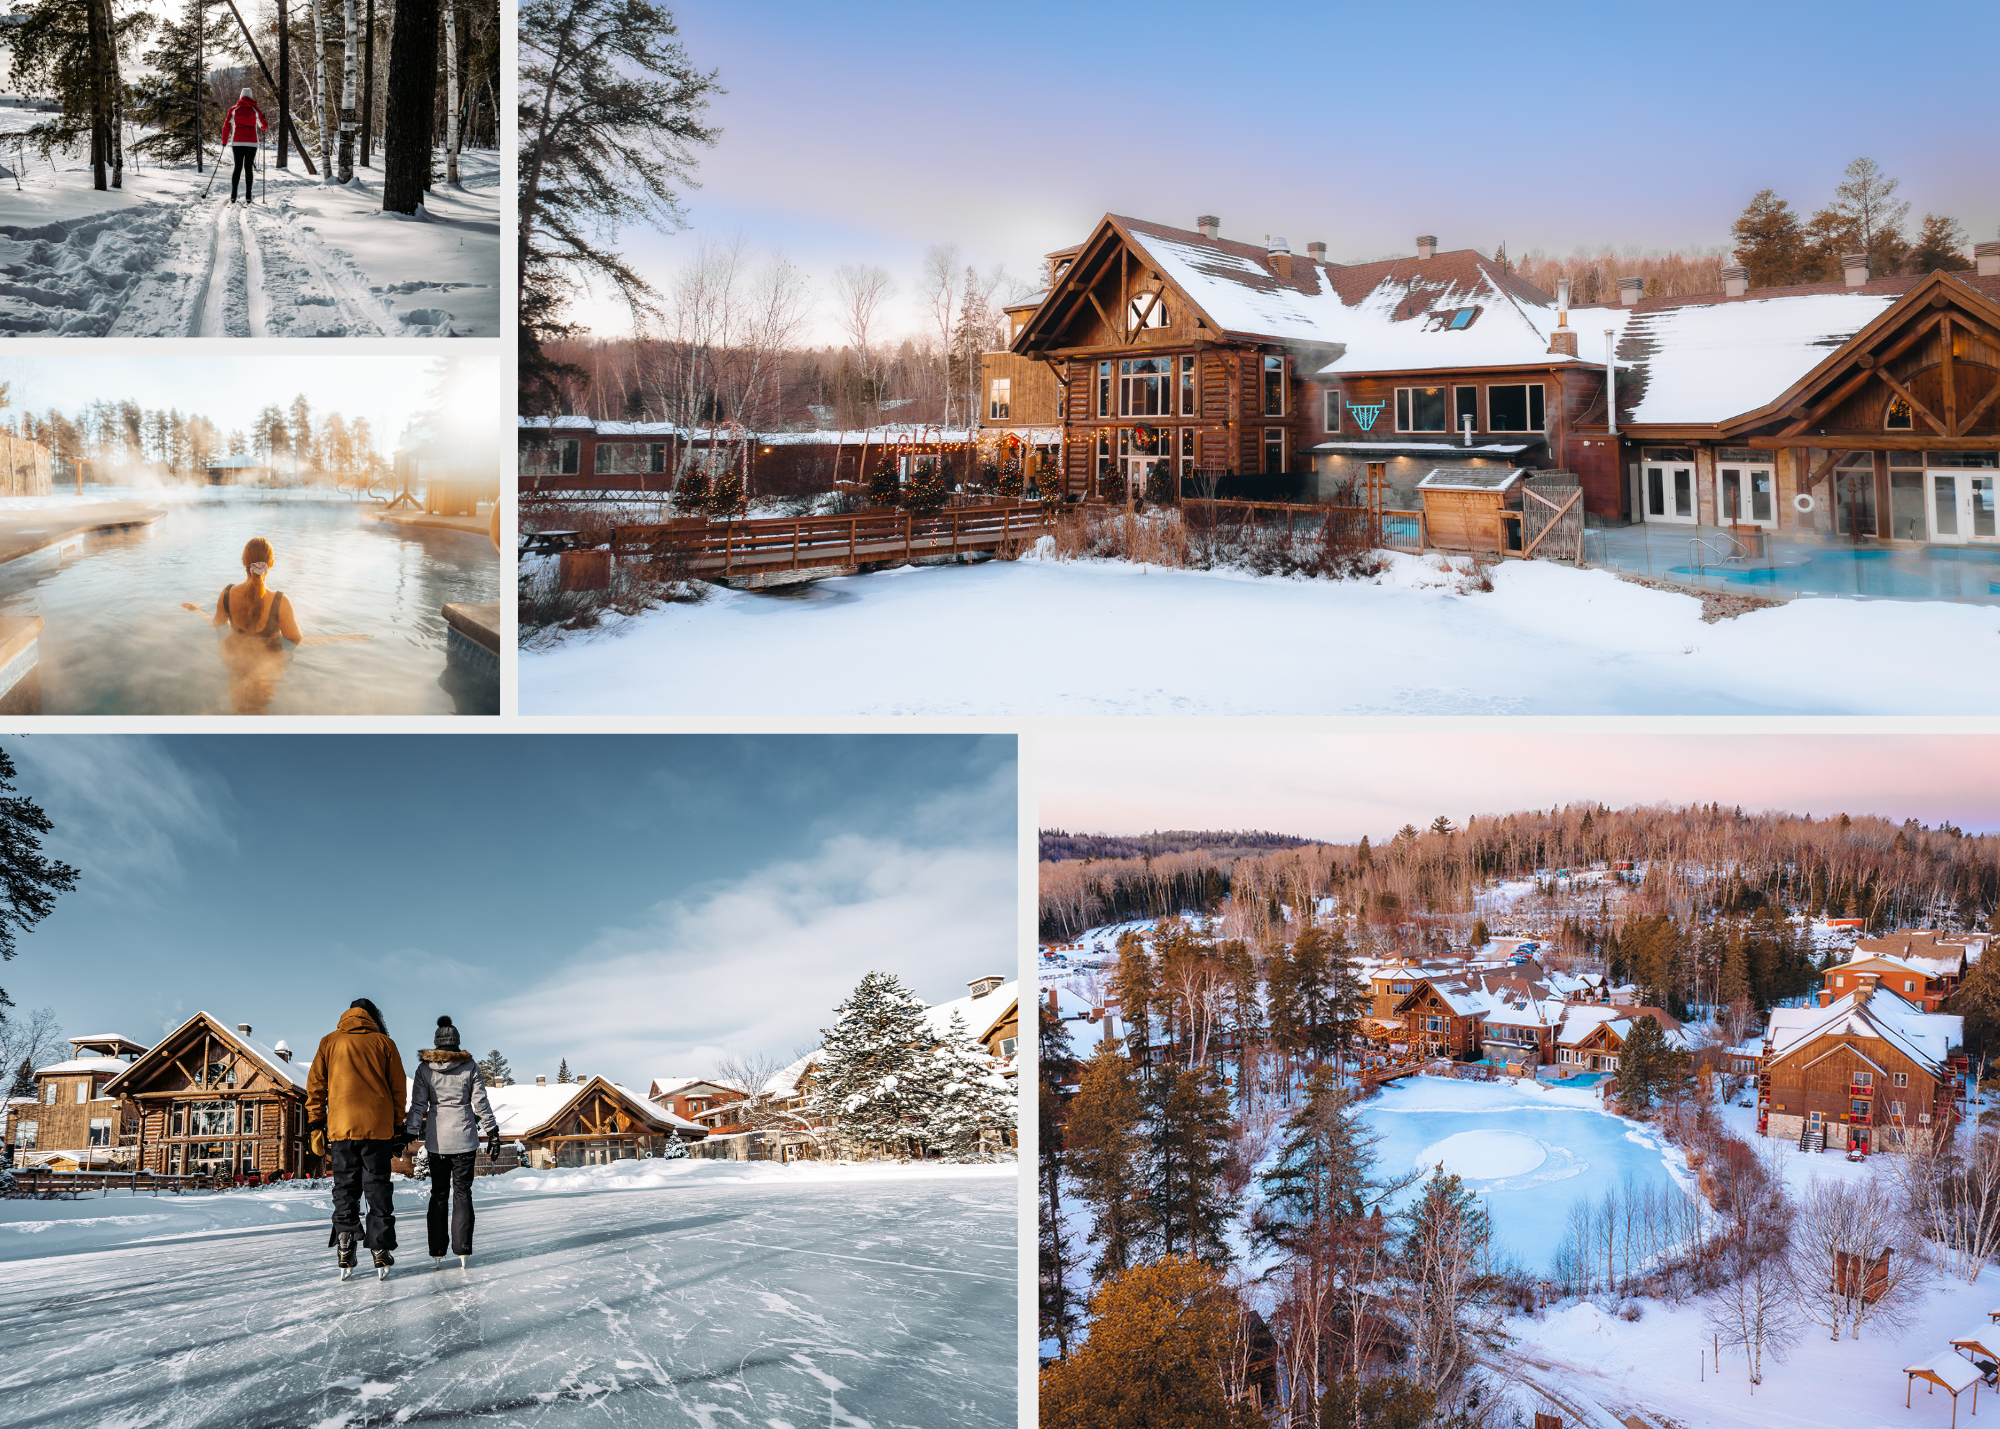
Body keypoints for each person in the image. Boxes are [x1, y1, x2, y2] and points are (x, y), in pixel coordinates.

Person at [306, 998, 406, 1280]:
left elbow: (315, 1085)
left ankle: (345, 1243)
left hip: (341, 1129)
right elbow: (399, 1090)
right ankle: (380, 1250)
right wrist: (398, 1126)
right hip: (377, 1130)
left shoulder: (329, 1041)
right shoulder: (385, 1043)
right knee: (377, 1189)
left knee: (345, 1188)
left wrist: (315, 1122)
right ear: (374, 1016)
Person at [405, 1015, 500, 1269]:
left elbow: (418, 1105)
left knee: (438, 1193)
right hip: (464, 1140)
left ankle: (437, 1249)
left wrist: (410, 1131)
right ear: (457, 1043)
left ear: (436, 1044)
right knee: (462, 1193)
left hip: (437, 1142)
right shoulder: (470, 1067)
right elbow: (481, 1102)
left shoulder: (424, 1069)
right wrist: (492, 1131)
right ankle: (463, 1249)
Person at [220, 88, 266, 205]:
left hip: (237, 142)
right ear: (250, 96)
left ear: (241, 96)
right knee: (248, 168)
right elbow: (263, 127)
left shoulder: (234, 109)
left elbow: (227, 125)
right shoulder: (255, 110)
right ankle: (248, 196)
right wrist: (263, 119)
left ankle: (233, 195)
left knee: (238, 167)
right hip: (251, 143)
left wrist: (224, 141)